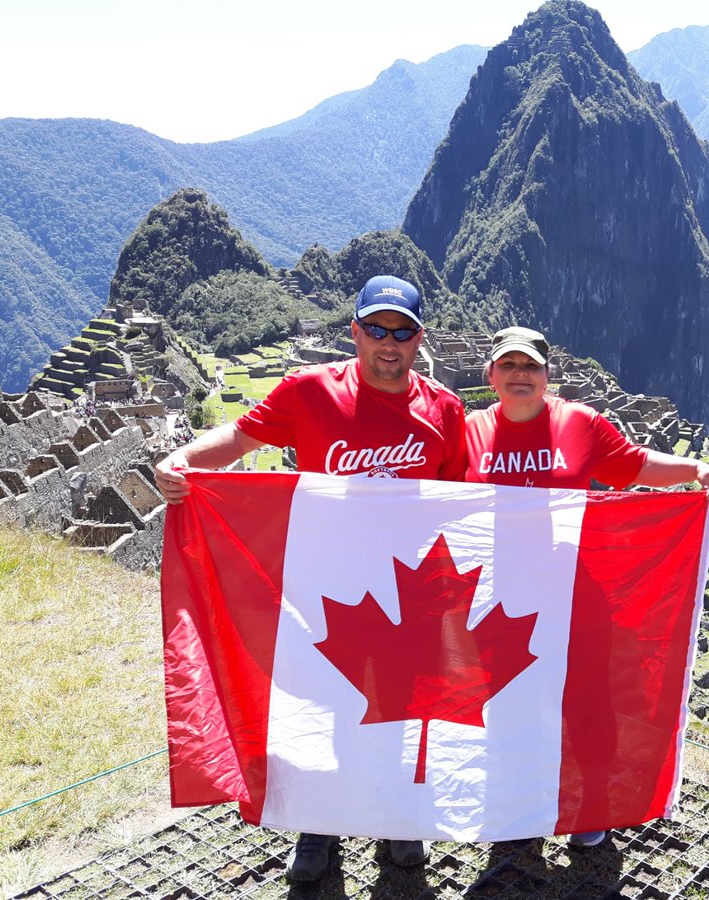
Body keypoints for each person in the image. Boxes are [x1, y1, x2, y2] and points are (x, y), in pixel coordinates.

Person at [155, 274, 466, 882]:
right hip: (329, 587)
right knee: (325, 710)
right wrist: (183, 460)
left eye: (402, 332)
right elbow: (241, 439)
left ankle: (398, 822)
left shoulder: (444, 411)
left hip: (410, 596)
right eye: (376, 328)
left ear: (419, 340)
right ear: (354, 331)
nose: (388, 343)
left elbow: (463, 502)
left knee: (401, 713)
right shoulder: (309, 393)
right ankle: (318, 830)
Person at [464, 325, 709, 848]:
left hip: (573, 595)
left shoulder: (578, 424)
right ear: (490, 374)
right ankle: (518, 806)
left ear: (547, 374)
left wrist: (695, 469)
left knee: (587, 703)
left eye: (530, 366)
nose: (520, 375)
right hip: (495, 599)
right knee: (508, 703)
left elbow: (635, 464)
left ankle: (591, 807)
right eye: (509, 365)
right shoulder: (467, 433)